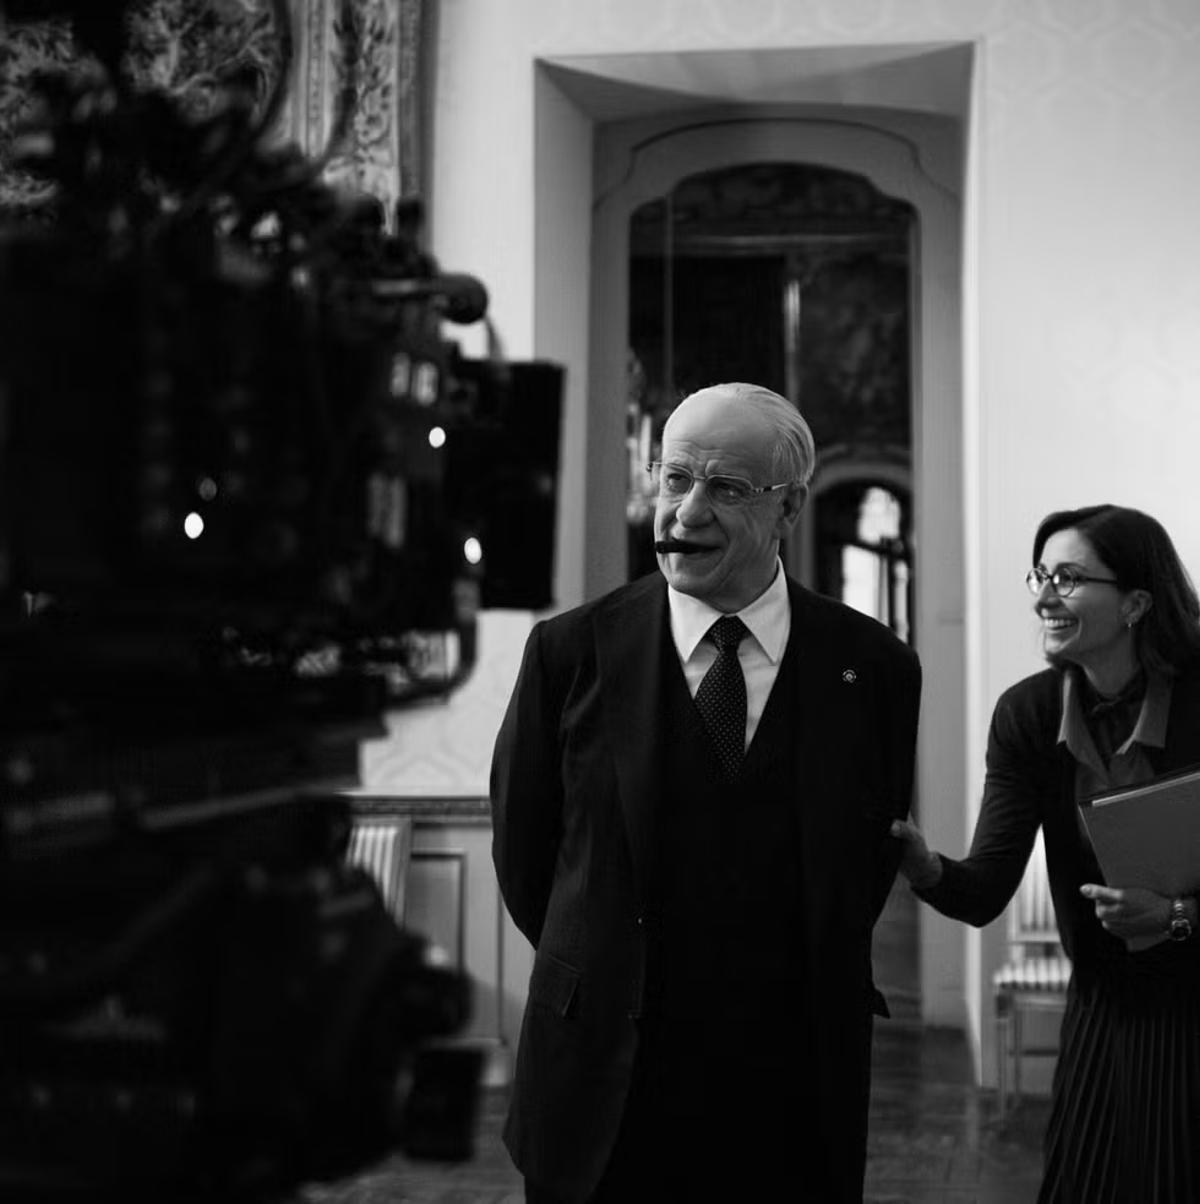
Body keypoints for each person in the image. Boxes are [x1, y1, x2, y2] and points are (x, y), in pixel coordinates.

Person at [490, 382, 922, 1202]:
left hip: (790, 1091)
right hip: (600, 1087)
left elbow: (861, 866)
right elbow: (526, 855)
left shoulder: (874, 667)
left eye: (725, 488)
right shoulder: (569, 652)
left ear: (789, 508)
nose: (684, 513)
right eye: (674, 478)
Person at [892, 504, 1200, 1204]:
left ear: (1136, 603)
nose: (1043, 596)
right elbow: (984, 889)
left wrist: (1176, 914)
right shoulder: (1028, 715)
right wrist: (923, 865)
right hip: (1101, 1000)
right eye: (1041, 574)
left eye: (1068, 577)